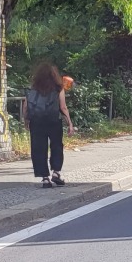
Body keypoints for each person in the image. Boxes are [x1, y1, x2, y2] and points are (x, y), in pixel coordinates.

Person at [20, 61, 75, 189]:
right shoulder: (58, 88)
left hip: (36, 122)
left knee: (38, 148)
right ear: (54, 75)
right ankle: (56, 173)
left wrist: (26, 121)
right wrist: (70, 123)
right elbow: (63, 107)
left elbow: (26, 107)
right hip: (53, 121)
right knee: (56, 145)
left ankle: (45, 178)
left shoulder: (32, 89)